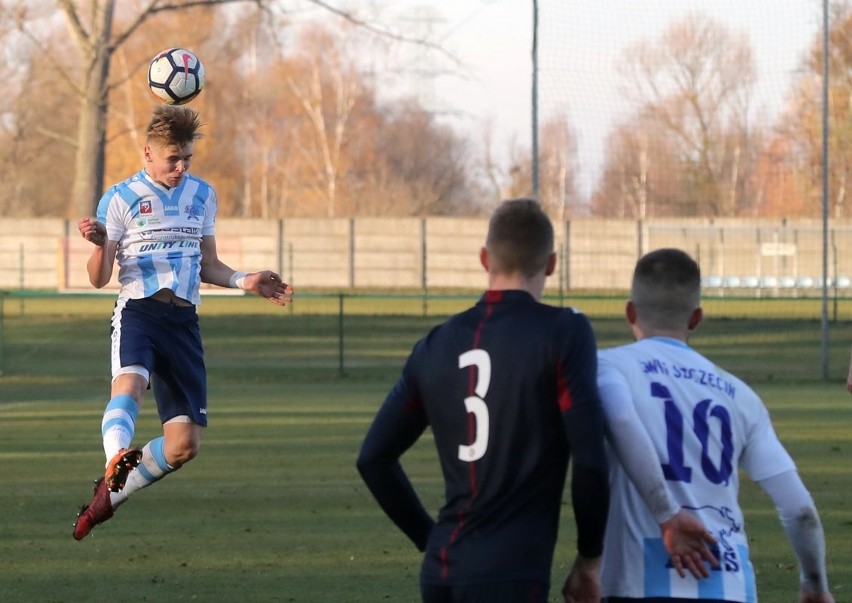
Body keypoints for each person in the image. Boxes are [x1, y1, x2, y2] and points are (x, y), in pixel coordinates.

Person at [357, 199, 610, 602]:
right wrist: (590, 560)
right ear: (551, 264)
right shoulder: (565, 332)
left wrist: (430, 539)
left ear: (483, 258)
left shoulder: (435, 344)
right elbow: (591, 461)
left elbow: (373, 459)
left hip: (441, 572)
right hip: (512, 572)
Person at [73, 104, 293, 541]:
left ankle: (112, 493)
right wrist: (100, 245)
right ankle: (116, 456)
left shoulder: (202, 195)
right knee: (130, 384)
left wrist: (245, 280)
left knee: (183, 447)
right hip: (138, 311)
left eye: (187, 159)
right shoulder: (119, 198)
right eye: (173, 159)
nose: (181, 167)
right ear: (148, 153)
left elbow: (208, 264)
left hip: (184, 321)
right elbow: (100, 278)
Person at [566, 248, 834, 603]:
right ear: (696, 318)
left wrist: (666, 513)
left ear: (630, 311)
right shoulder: (741, 395)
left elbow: (619, 419)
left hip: (637, 584)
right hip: (732, 587)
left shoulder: (607, 368)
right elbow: (799, 508)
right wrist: (814, 586)